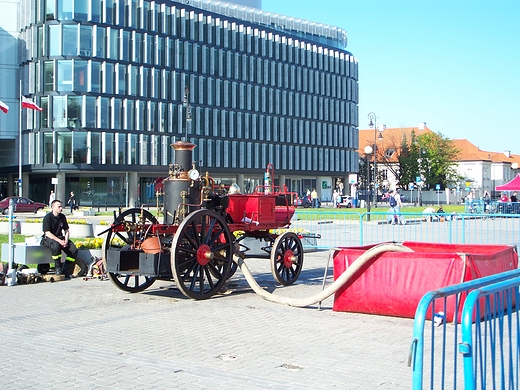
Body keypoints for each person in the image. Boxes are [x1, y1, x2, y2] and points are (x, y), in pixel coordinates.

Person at [41, 199, 79, 279]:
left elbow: (67, 230)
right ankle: (57, 267)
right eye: (59, 207)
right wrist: (59, 241)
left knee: (73, 250)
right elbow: (47, 233)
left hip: (60, 238)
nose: (61, 208)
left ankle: (65, 269)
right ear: (53, 207)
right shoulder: (47, 218)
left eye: (61, 206)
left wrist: (66, 240)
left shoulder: (62, 217)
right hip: (49, 238)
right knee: (56, 247)